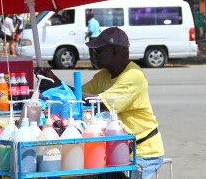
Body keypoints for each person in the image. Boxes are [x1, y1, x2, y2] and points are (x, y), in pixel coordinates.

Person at [35, 27, 164, 179]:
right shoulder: (103, 75)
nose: (94, 55)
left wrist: (59, 85)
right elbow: (77, 98)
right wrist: (55, 84)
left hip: (142, 152)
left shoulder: (134, 76)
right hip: (114, 148)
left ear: (115, 51)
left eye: (99, 50)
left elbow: (97, 101)